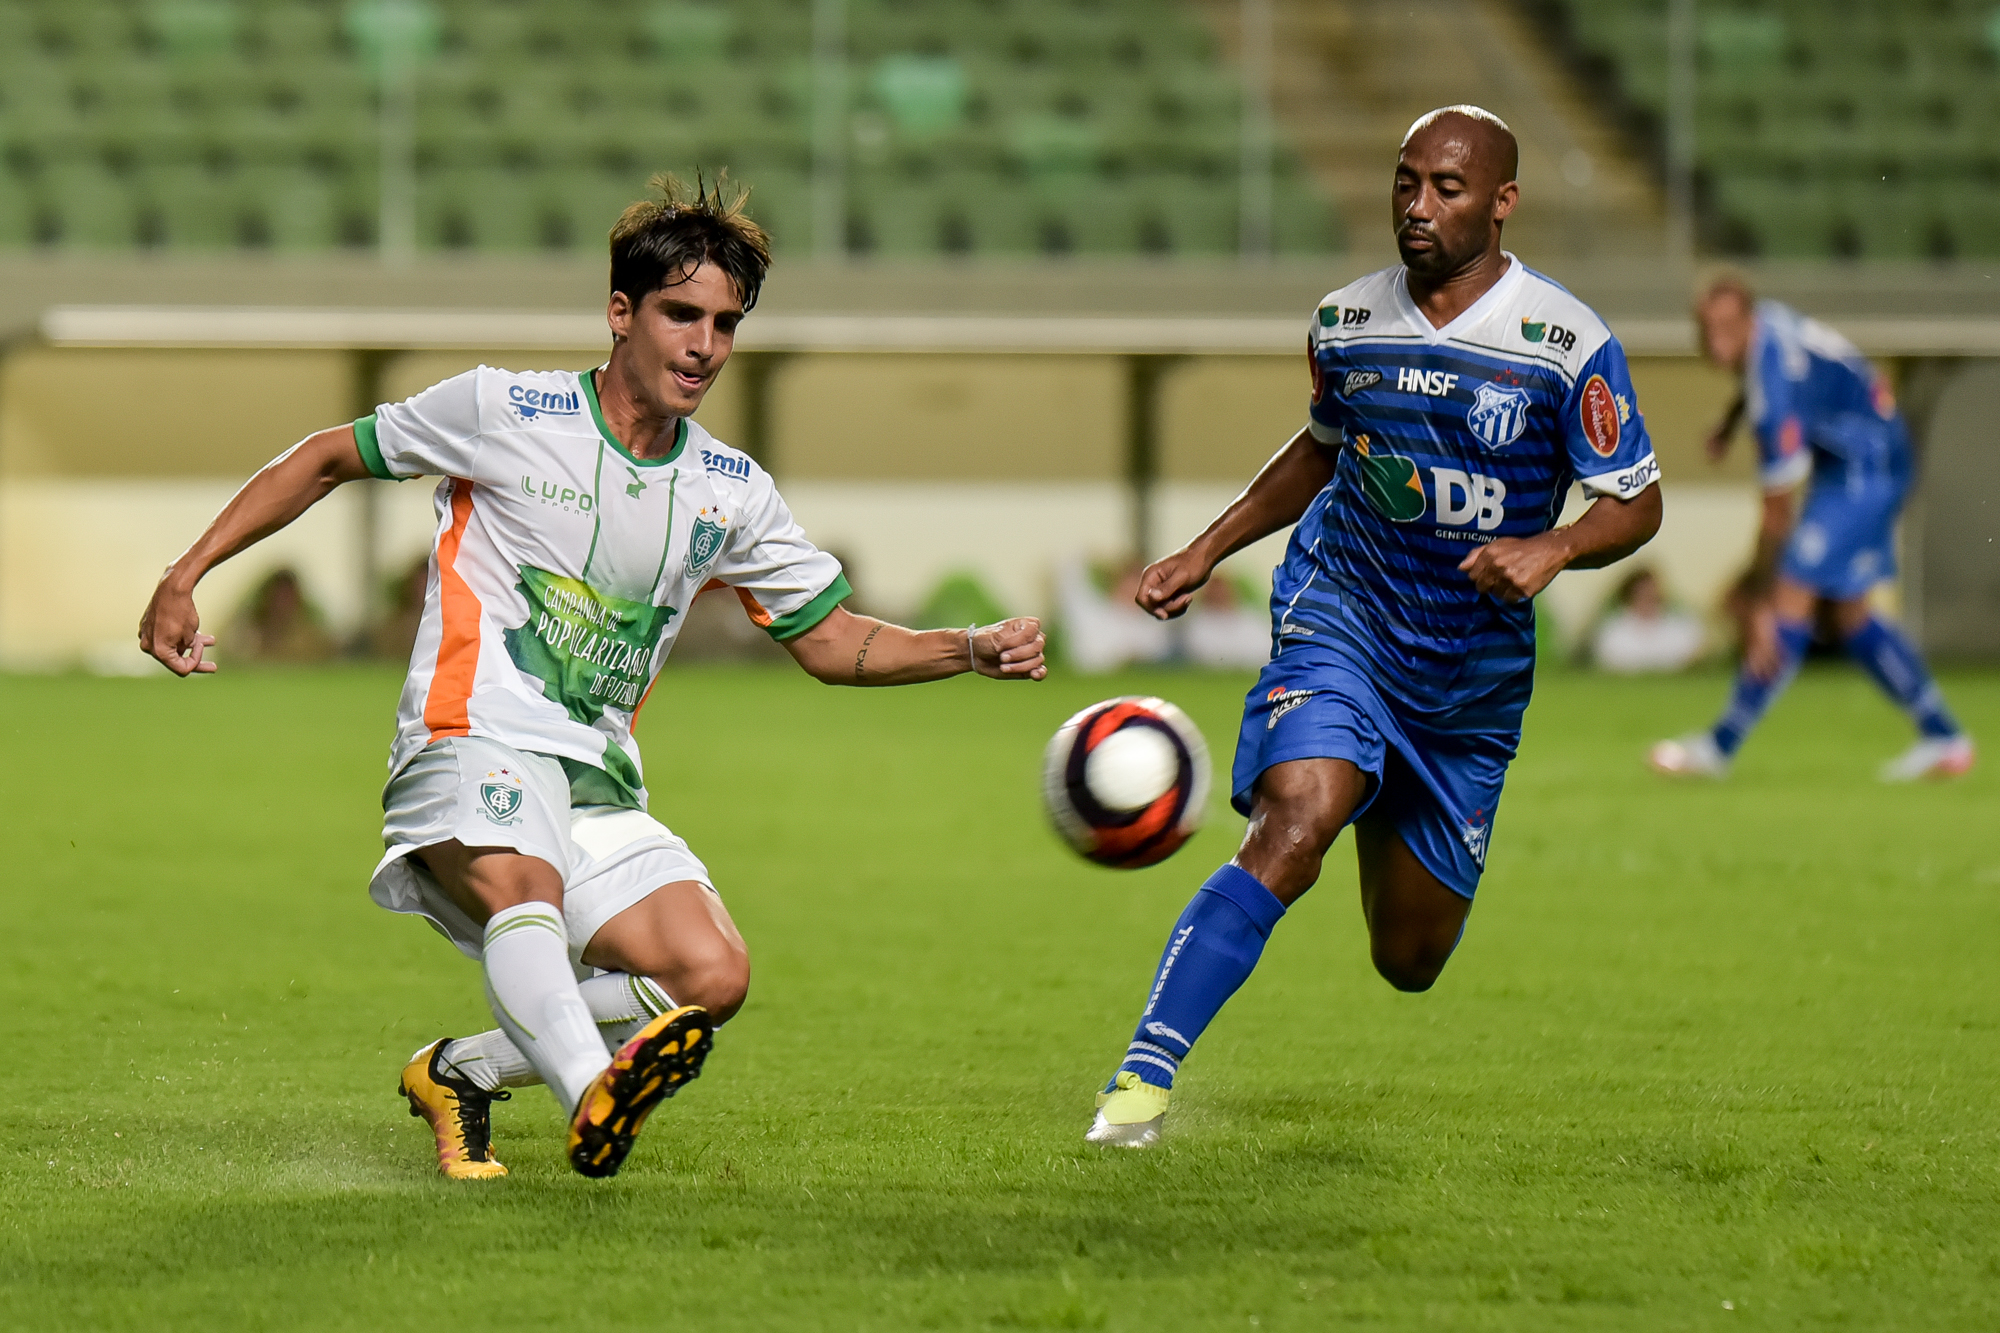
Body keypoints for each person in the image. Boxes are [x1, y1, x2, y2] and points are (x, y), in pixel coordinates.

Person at [138, 176, 1047, 1181]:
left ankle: (460, 1071)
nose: (704, 345)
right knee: (522, 887)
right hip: (468, 731)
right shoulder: (503, 410)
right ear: (621, 313)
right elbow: (323, 459)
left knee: (710, 971)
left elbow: (830, 640)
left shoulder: (729, 490)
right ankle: (588, 1095)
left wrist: (965, 647)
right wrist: (185, 576)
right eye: (679, 314)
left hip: (594, 775)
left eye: (724, 324)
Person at [1084, 106, 1662, 1147]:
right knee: (1293, 824)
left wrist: (1554, 547)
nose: (1416, 205)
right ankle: (1140, 1077)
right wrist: (1204, 550)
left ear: (1501, 201)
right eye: (1404, 182)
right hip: (1340, 618)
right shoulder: (1345, 323)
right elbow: (1317, 450)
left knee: (1408, 960)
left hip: (1467, 682)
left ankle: (1377, 782)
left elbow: (1636, 500)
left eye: (1445, 187)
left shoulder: (1562, 343)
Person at [1649, 277, 1973, 781]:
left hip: (1864, 469)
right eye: (1706, 331)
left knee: (1790, 597)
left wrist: (1757, 602)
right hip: (1869, 453)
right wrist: (1728, 423)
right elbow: (1757, 377)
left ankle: (1719, 747)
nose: (1716, 344)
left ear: (1747, 322)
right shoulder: (1769, 329)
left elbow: (1777, 510)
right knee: (1851, 616)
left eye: (1726, 330)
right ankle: (1945, 738)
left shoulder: (1773, 388)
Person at [1591, 567, 1704, 673]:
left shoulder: (1680, 627)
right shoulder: (1613, 631)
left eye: (1651, 592)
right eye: (1642, 593)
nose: (1647, 598)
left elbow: (1691, 657)